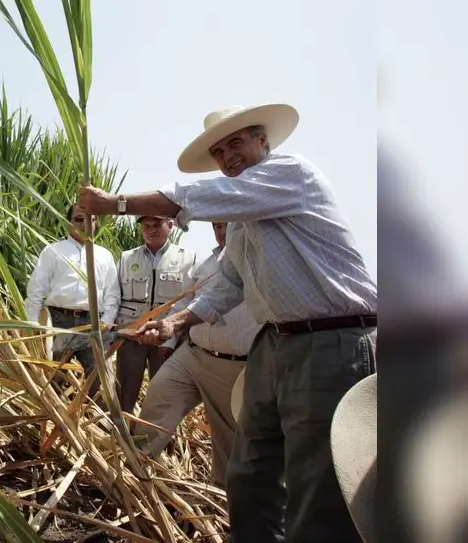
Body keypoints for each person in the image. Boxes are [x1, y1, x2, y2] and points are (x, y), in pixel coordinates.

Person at [76, 103, 377, 542]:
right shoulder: (239, 221)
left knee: (316, 485)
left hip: (331, 341)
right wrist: (175, 323)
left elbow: (197, 197)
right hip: (275, 344)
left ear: (263, 141)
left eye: (236, 143)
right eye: (218, 151)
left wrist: (116, 203)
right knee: (250, 470)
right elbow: (229, 283)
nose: (227, 156)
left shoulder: (290, 173)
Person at [133, 221, 262, 488]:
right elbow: (184, 301)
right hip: (191, 356)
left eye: (226, 225)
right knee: (158, 397)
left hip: (234, 367)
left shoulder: (259, 264)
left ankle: (223, 498)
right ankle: (134, 473)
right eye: (216, 226)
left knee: (229, 441)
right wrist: (168, 343)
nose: (221, 232)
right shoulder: (204, 265)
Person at [24, 204, 121, 401]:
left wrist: (107, 320)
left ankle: (94, 419)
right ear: (69, 222)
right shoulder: (53, 251)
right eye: (79, 219)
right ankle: (52, 417)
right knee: (53, 378)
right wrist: (33, 323)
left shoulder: (105, 255)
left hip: (94, 325)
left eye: (91, 220)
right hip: (59, 322)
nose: (85, 224)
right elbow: (36, 288)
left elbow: (112, 293)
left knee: (99, 381)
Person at [114, 216, 196, 414]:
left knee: (165, 399)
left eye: (157, 225)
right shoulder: (126, 258)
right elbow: (114, 296)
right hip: (132, 338)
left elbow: (191, 302)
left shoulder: (188, 259)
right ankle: (122, 431)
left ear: (170, 225)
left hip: (167, 341)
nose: (151, 230)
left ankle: (158, 434)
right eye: (146, 226)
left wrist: (175, 337)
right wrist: (113, 332)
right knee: (124, 395)